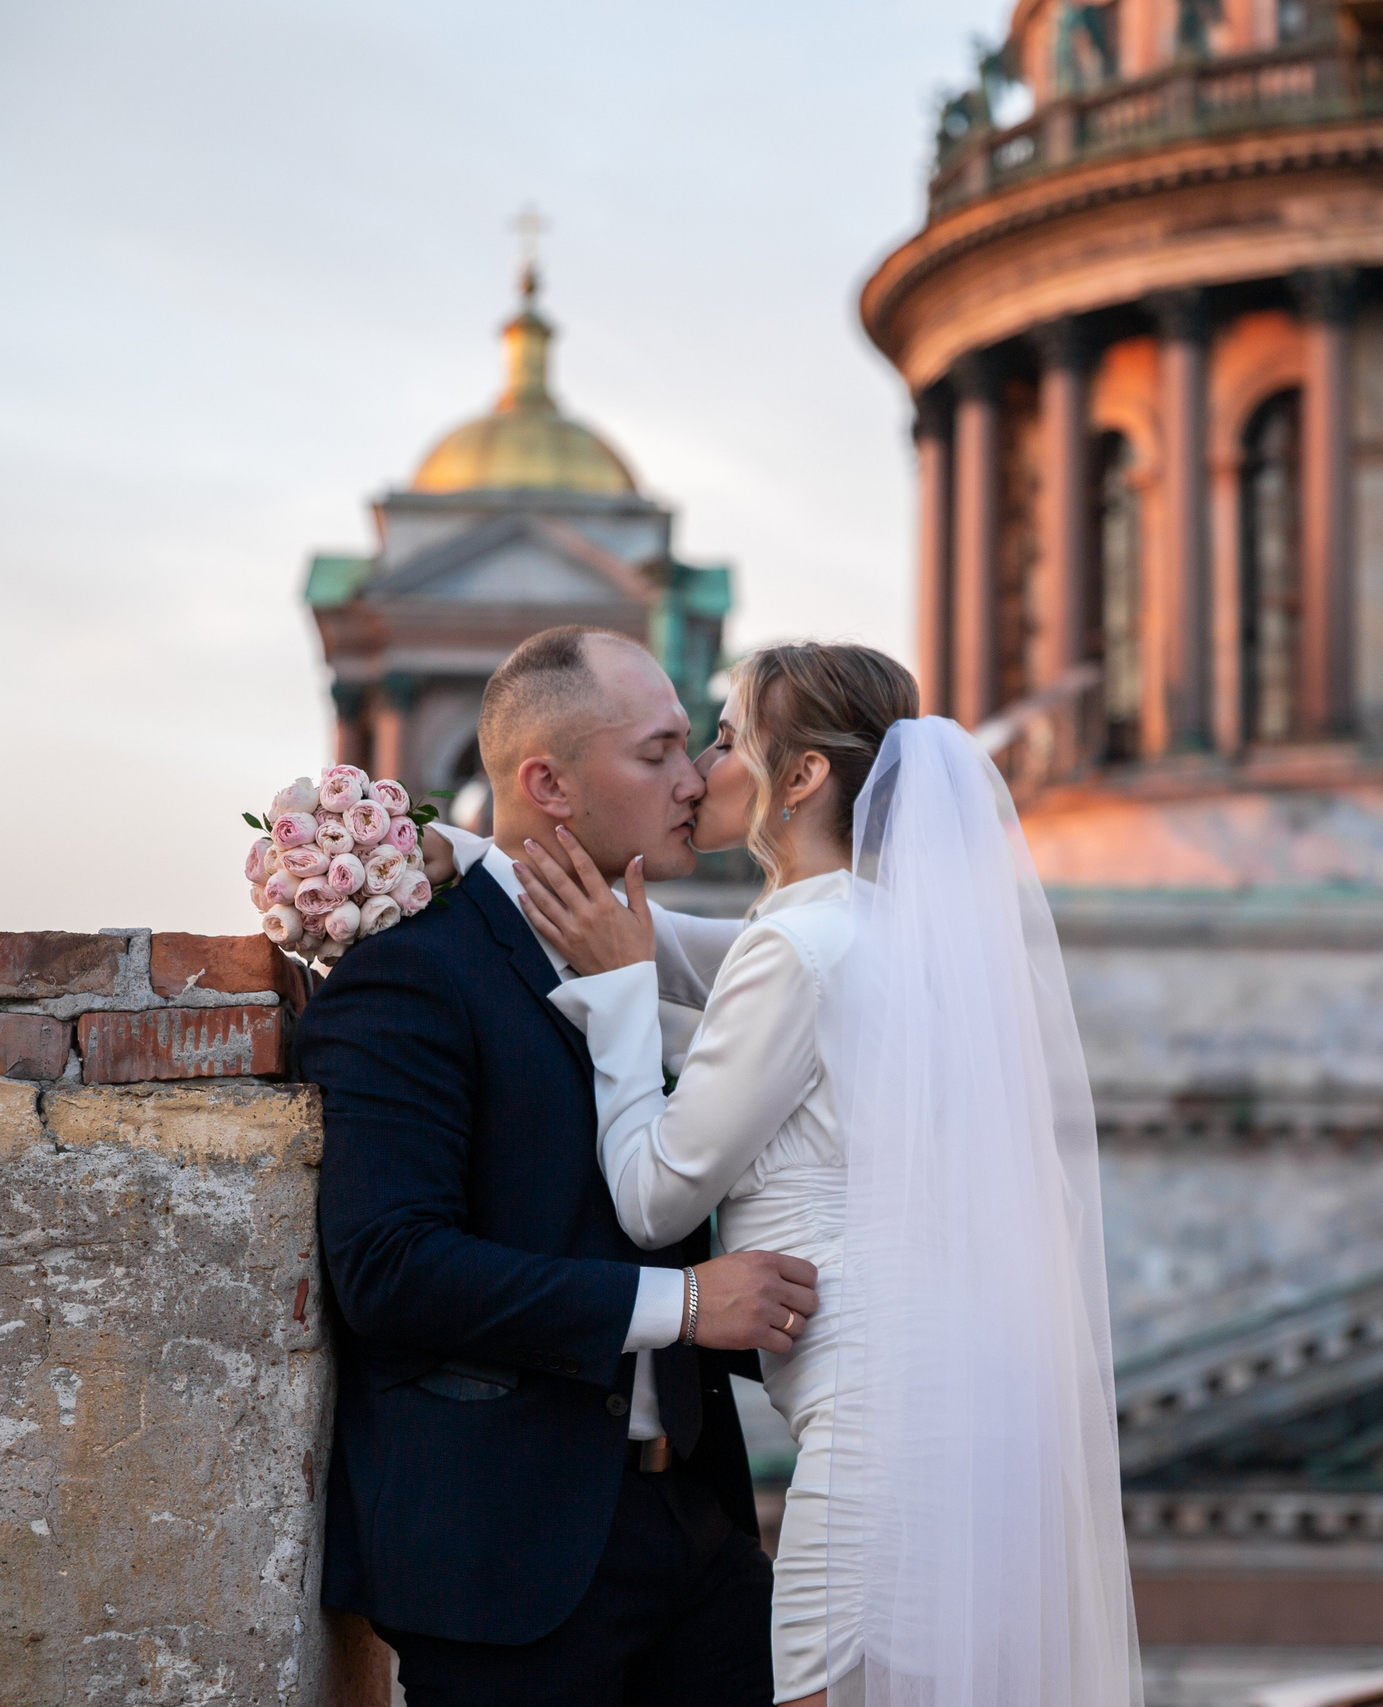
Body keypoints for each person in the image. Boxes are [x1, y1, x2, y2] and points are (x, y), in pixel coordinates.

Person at [489, 642, 1143, 1707]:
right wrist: (473, 860)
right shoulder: (881, 930)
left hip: (876, 1417)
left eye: (730, 739)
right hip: (952, 1400)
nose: (702, 772)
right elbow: (695, 953)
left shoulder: (801, 948)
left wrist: (613, 1000)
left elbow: (655, 1194)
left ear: (800, 779)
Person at [300, 626, 823, 1707]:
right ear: (549, 782)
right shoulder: (410, 979)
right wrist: (681, 1306)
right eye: (660, 751)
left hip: (698, 1526)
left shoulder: (637, 944)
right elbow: (390, 1266)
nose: (698, 780)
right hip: (508, 1563)